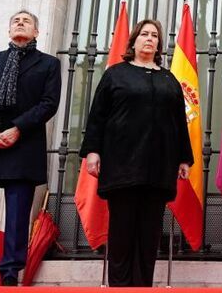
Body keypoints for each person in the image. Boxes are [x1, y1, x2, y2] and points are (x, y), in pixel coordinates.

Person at [80, 19, 193, 287]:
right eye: (144, 34)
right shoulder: (115, 74)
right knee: (122, 233)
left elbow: (179, 122)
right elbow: (97, 116)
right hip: (122, 166)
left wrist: (183, 158)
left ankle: (143, 287)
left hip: (158, 168)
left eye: (155, 35)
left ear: (159, 44)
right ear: (133, 41)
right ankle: (120, 288)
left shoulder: (169, 79)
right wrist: (93, 151)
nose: (150, 39)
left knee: (149, 234)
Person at [0, 10, 62, 286]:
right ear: (8, 31)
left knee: (17, 219)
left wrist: (18, 128)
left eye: (26, 21)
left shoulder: (49, 64)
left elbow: (48, 103)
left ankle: (9, 275)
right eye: (16, 20)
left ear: (36, 33)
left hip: (24, 145)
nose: (20, 23)